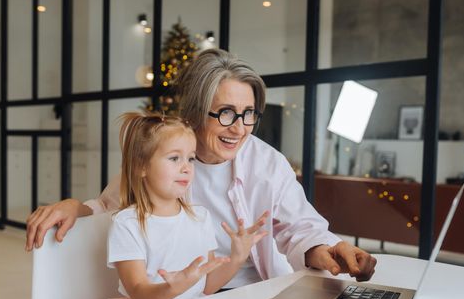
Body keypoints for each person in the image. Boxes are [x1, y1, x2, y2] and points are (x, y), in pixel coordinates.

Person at [25, 48, 376, 286]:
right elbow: (110, 204)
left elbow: (300, 229)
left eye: (248, 114)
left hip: (253, 291)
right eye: (225, 113)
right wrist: (74, 206)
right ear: (194, 112)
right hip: (185, 294)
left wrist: (328, 252)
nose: (238, 128)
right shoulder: (166, 152)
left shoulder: (267, 163)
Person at [106, 112, 268, 299]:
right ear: (141, 166)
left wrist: (237, 257)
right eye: (174, 158)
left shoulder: (200, 217)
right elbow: (139, 295)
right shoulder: (127, 224)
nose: (186, 168)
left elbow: (207, 286)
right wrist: (173, 288)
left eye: (190, 158)